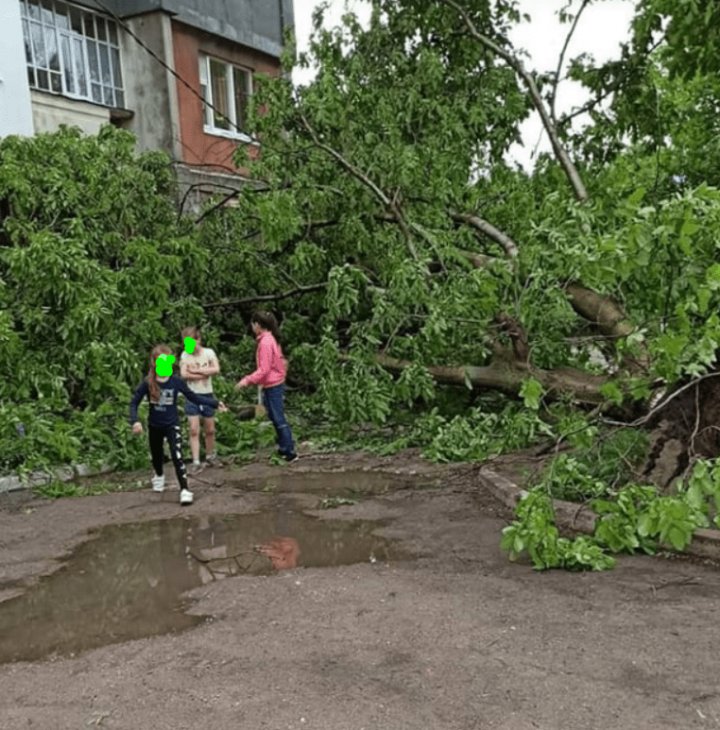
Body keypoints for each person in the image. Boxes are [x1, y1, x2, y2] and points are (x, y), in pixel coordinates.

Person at [129, 344, 223, 505]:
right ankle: (158, 475)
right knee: (157, 456)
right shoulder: (147, 383)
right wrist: (135, 421)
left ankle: (185, 490)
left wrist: (214, 403)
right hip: (155, 426)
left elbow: (194, 397)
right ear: (154, 363)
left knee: (177, 455)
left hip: (172, 425)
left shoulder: (176, 382)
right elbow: (134, 403)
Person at [235, 311, 297, 462]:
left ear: (258, 325)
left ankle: (289, 451)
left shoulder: (265, 342)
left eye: (253, 324)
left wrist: (246, 381)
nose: (252, 327)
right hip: (272, 382)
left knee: (278, 417)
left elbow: (264, 369)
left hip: (273, 384)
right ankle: (284, 448)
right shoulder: (269, 339)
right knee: (275, 416)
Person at [179, 326, 221, 473]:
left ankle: (210, 455)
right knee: (193, 429)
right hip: (192, 395)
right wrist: (203, 374)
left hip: (207, 394)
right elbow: (184, 374)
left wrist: (196, 371)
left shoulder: (209, 353)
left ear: (198, 340)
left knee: (210, 429)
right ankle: (196, 461)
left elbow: (216, 369)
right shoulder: (185, 355)